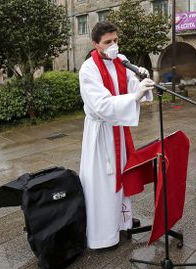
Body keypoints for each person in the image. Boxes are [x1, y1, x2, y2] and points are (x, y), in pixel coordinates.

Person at [78, 22, 155, 250]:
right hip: (100, 134)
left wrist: (142, 81)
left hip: (118, 132)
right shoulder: (88, 69)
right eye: (107, 42)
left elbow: (133, 87)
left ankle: (120, 224)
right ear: (96, 44)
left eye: (115, 40)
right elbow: (100, 104)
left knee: (120, 179)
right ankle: (102, 235)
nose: (113, 45)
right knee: (102, 183)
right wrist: (133, 97)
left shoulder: (121, 60)